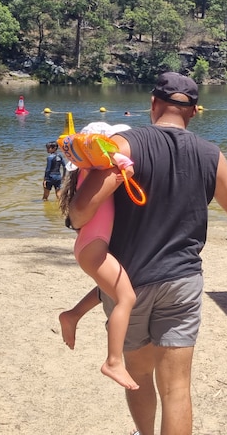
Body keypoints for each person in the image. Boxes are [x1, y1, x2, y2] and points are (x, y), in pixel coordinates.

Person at [68, 72, 227, 435]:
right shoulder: (212, 155)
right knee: (177, 388)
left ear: (153, 104)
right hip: (183, 281)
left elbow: (79, 212)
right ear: (194, 112)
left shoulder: (123, 145)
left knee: (139, 375)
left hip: (129, 280)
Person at [58, 122, 139, 391]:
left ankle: (72, 315)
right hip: (92, 247)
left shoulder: (86, 171)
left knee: (109, 289)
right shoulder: (101, 170)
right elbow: (127, 166)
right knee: (126, 298)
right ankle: (113, 361)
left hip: (90, 245)